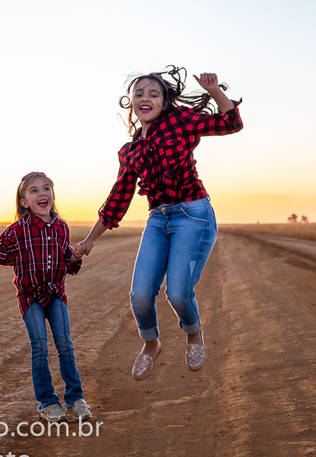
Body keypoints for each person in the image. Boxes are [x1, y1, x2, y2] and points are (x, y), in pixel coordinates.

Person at [72, 67, 242, 381]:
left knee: (178, 293)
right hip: (158, 219)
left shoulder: (180, 121)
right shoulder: (131, 151)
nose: (145, 98)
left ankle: (193, 334)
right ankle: (151, 344)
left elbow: (231, 122)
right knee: (139, 294)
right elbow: (118, 199)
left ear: (165, 102)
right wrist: (91, 239)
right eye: (139, 94)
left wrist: (215, 90)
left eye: (154, 94)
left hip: (192, 214)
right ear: (131, 102)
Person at [0, 172, 91, 423]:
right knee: (40, 345)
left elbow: (66, 260)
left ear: (53, 195)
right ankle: (47, 402)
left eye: (46, 188)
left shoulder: (62, 227)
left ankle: (75, 399)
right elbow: (0, 255)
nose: (42, 194)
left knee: (65, 344)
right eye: (34, 191)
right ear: (24, 202)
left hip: (55, 294)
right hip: (29, 297)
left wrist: (77, 254)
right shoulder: (17, 230)